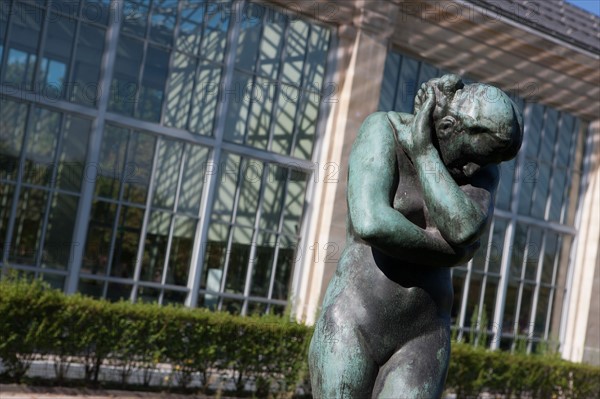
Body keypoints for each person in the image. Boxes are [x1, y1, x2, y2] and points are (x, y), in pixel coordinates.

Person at [308, 74, 523, 398]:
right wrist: (450, 253)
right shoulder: (383, 130)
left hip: (423, 335)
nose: (471, 171)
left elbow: (464, 227)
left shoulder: (483, 168)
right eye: (471, 158)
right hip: (354, 319)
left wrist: (424, 153)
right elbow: (372, 223)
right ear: (449, 126)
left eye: (484, 163)